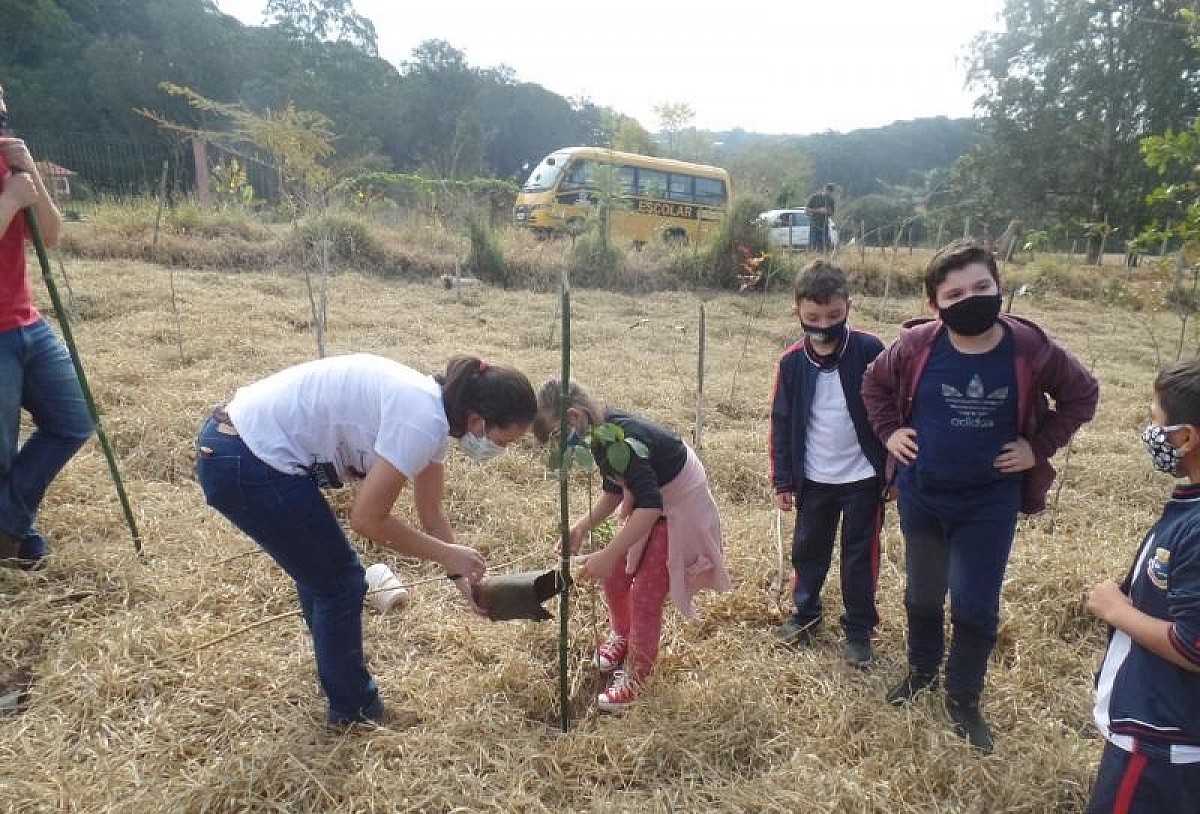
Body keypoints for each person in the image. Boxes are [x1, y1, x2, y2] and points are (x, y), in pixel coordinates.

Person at [195, 353, 537, 726]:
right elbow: (368, 519)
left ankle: (336, 676)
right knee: (340, 583)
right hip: (244, 458)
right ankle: (355, 711)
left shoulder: (433, 415)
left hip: (241, 446)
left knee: (323, 572)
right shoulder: (421, 421)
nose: (503, 450)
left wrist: (464, 583)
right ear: (477, 421)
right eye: (505, 440)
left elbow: (432, 513)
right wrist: (447, 555)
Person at [861, 238, 1099, 752]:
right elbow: (873, 386)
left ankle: (963, 696)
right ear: (935, 304)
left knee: (974, 603)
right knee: (923, 594)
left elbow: (1083, 394)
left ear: (999, 288)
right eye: (955, 293)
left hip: (988, 504)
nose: (970, 299)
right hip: (923, 496)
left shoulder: (1030, 349)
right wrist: (889, 433)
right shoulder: (918, 347)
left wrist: (1038, 447)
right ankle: (921, 671)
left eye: (981, 287)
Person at [532, 380, 731, 712]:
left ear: (573, 416)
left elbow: (650, 507)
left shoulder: (621, 440)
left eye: (556, 436)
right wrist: (581, 527)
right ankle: (622, 635)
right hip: (651, 503)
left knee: (644, 594)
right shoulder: (600, 436)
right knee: (616, 577)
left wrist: (609, 553)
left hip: (677, 510)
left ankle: (638, 672)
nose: (559, 447)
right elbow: (615, 488)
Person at [1084, 359, 1200, 813]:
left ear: (1186, 437)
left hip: (1162, 743)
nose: (1151, 432)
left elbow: (1194, 646)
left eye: (1155, 421)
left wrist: (1117, 610)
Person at [769, 260, 887, 669]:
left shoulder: (871, 351)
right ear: (797, 312)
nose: (824, 324)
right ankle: (804, 615)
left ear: (848, 308)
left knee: (859, 557)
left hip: (864, 479)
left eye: (834, 316)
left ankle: (858, 631)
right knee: (808, 551)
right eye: (813, 317)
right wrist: (783, 479)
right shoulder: (791, 364)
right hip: (813, 480)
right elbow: (781, 423)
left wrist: (893, 470)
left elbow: (892, 411)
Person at [0, 81, 93, 569]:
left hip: (25, 322)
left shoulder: (12, 164)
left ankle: (8, 522)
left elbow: (51, 236)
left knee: (75, 419)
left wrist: (29, 174)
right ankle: (18, 533)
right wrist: (10, 202)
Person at [806, 183, 836, 253]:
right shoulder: (815, 197)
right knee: (813, 243)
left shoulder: (831, 200)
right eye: (828, 190)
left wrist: (827, 211)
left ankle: (823, 258)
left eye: (831, 191)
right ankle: (813, 257)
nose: (829, 193)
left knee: (824, 244)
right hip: (814, 224)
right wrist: (818, 210)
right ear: (824, 189)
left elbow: (832, 213)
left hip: (824, 225)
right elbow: (806, 210)